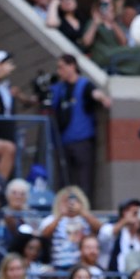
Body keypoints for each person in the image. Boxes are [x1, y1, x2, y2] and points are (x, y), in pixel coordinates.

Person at [50, 55, 111, 200]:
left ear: (72, 66)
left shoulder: (84, 84)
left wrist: (103, 98)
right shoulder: (60, 88)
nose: (60, 72)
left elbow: (95, 93)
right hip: (63, 142)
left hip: (82, 140)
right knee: (63, 181)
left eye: (62, 67)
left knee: (84, 180)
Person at [40, 186, 102, 271]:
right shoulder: (52, 219)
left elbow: (101, 229)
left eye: (74, 200)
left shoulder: (87, 219)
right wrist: (60, 215)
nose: (71, 204)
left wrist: (82, 212)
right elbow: (45, 235)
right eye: (66, 201)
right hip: (59, 265)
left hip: (82, 266)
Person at [98, 197, 140, 273]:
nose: (136, 216)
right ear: (123, 212)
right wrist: (125, 220)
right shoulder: (111, 226)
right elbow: (105, 236)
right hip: (114, 275)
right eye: (134, 212)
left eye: (137, 213)